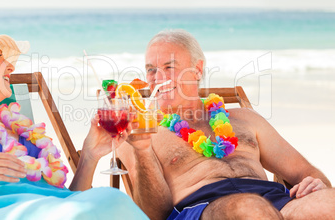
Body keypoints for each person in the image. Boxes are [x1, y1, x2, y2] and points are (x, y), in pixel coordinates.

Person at [0, 20, 148, 220]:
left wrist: (89, 155)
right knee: (110, 200)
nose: (11, 66)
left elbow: (69, 203)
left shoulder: (22, 129)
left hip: (54, 211)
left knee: (111, 199)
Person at [117, 29, 334, 220]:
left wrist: (316, 184)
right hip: (203, 209)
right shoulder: (140, 132)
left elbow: (306, 172)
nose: (158, 78)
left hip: (276, 203)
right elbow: (153, 214)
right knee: (250, 208)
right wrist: (143, 151)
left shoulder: (245, 119)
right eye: (151, 69)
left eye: (169, 66)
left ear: (198, 69)